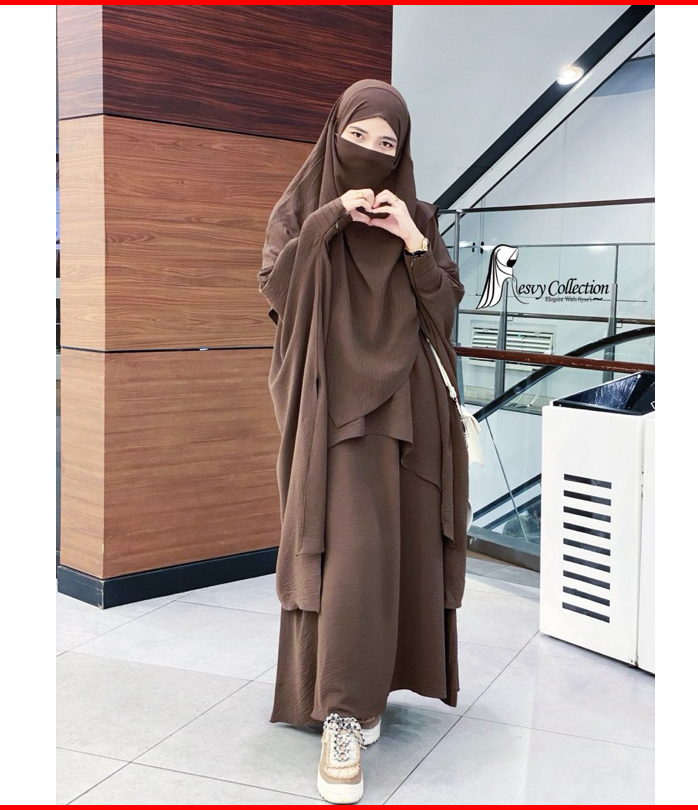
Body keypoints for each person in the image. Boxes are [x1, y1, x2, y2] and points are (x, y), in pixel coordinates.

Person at [258, 79, 470, 805]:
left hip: (412, 411)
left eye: (388, 143)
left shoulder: (420, 217)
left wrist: (413, 240)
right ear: (335, 134)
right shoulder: (303, 208)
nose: (372, 153)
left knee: (401, 553)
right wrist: (331, 219)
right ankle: (342, 712)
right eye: (359, 137)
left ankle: (372, 692)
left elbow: (444, 310)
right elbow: (277, 292)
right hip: (336, 414)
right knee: (350, 559)